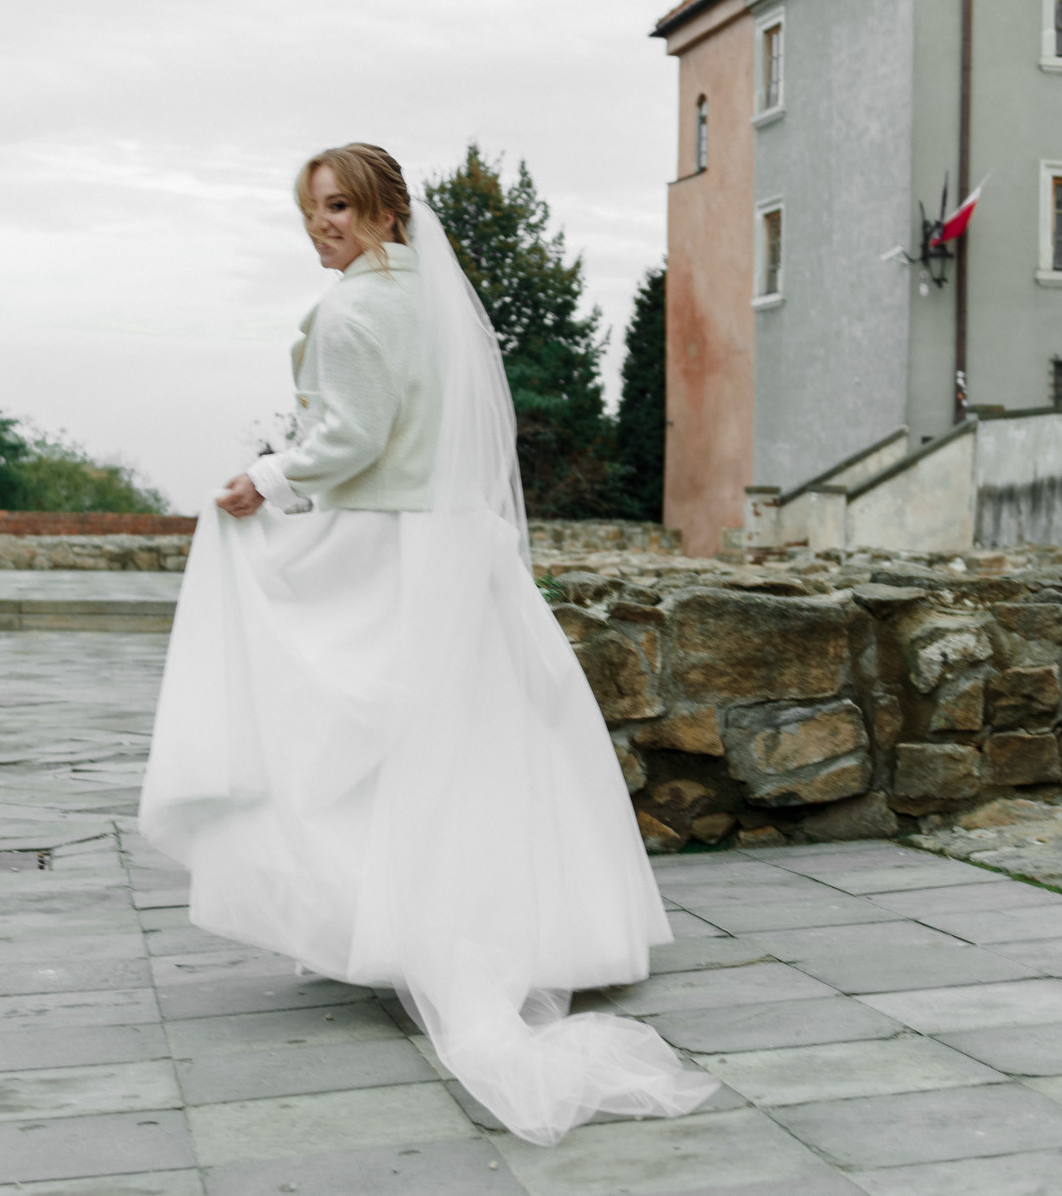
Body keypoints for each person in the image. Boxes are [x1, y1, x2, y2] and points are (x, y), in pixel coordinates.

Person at [137, 143, 716, 1146]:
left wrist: (263, 480)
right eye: (312, 209)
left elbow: (354, 437)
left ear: (386, 210)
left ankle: (388, 922)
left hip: (389, 545)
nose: (324, 225)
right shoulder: (442, 306)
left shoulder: (359, 309)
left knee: (348, 727)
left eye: (340, 207)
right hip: (460, 546)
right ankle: (541, 923)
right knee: (482, 741)